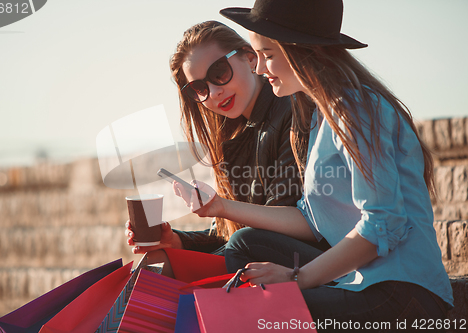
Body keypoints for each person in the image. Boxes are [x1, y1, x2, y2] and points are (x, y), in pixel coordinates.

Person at [173, 0, 453, 329]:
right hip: (360, 279)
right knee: (247, 245)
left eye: (268, 55)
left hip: (401, 293)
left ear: (302, 51)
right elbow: (311, 220)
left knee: (251, 311)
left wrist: (297, 277)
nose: (260, 67)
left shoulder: (356, 109)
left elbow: (383, 223)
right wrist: (220, 206)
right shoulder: (321, 117)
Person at [125, 21, 307, 262]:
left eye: (219, 72)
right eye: (199, 88)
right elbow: (230, 232)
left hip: (310, 263)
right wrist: (177, 240)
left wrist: (221, 206)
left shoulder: (292, 110)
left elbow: (272, 231)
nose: (213, 93)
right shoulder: (231, 137)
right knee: (160, 255)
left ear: (250, 58)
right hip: (260, 256)